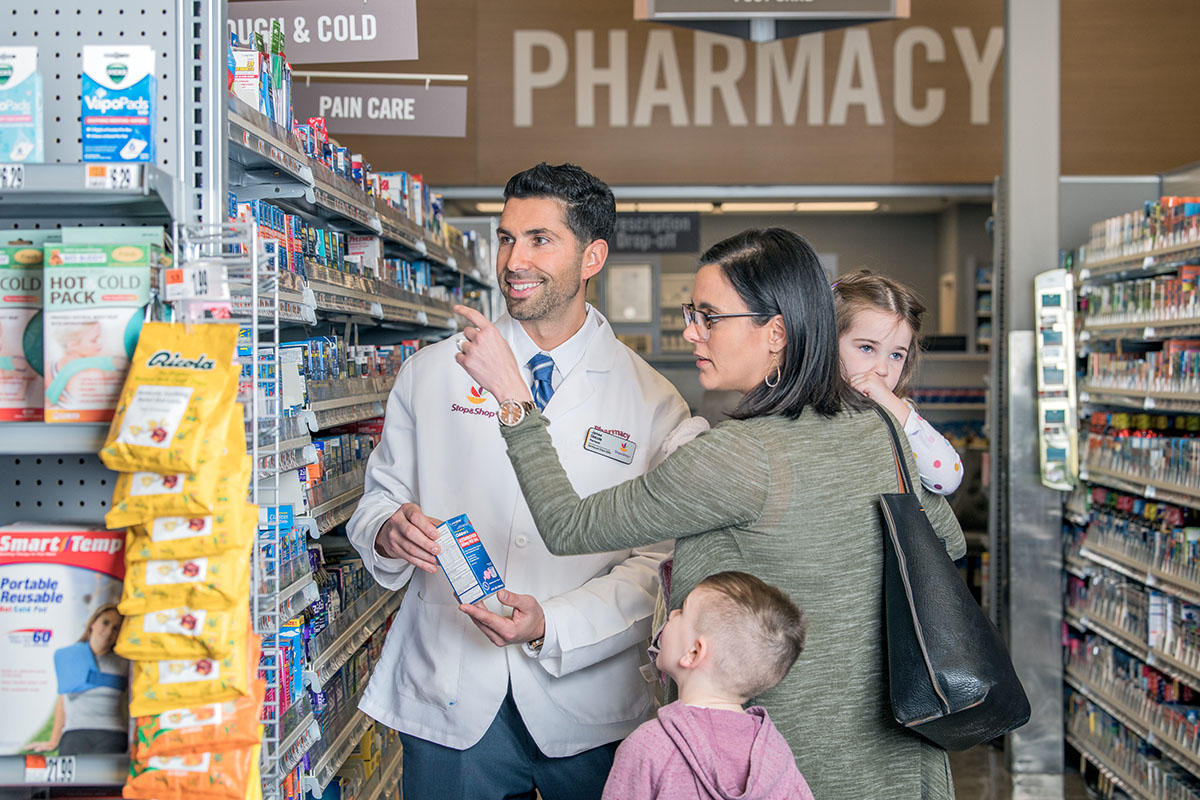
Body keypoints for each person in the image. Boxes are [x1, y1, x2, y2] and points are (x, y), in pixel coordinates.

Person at [452, 227, 966, 799]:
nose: (690, 331)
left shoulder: (737, 455)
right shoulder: (879, 428)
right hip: (899, 750)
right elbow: (945, 541)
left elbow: (567, 525)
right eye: (689, 312)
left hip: (785, 764)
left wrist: (513, 399)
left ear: (774, 332)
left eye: (709, 316)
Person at [346, 162, 689, 800]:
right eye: (507, 238)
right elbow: (377, 501)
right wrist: (389, 530)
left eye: (540, 240)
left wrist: (551, 626)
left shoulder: (651, 401)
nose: (514, 260)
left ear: (593, 256)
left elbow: (654, 566)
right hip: (450, 694)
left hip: (588, 703)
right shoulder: (431, 374)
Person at [603, 571, 814, 800]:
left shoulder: (648, 747)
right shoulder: (775, 754)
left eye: (682, 611)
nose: (672, 613)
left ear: (693, 652)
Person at [834, 269, 964, 494]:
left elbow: (947, 478)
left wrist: (894, 406)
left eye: (896, 355)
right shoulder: (804, 407)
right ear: (827, 342)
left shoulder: (897, 411)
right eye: (867, 348)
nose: (882, 369)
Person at [29, 603, 129, 755]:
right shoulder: (70, 656)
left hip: (112, 735)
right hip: (75, 734)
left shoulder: (125, 663)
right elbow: (63, 700)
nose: (109, 631)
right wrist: (54, 741)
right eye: (105, 623)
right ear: (93, 624)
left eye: (116, 628)